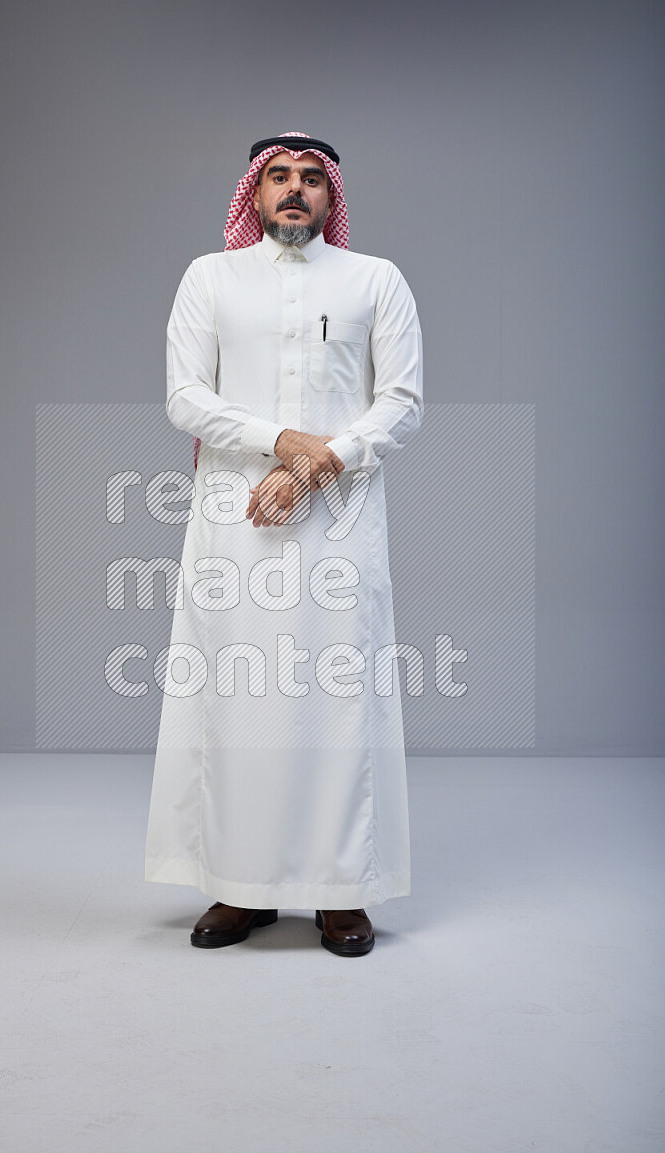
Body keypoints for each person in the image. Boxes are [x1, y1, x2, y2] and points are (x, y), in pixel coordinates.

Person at [144, 131, 424, 956]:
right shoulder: (210, 277)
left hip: (340, 522)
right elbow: (185, 398)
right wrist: (283, 439)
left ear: (332, 197)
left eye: (311, 179)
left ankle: (342, 892)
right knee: (238, 700)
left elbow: (401, 403)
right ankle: (240, 886)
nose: (295, 190)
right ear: (254, 194)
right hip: (236, 523)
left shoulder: (377, 280)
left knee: (338, 701)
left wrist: (314, 465)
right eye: (278, 178)